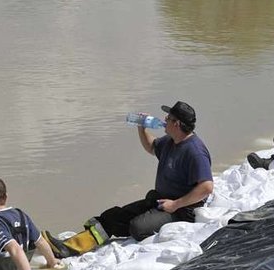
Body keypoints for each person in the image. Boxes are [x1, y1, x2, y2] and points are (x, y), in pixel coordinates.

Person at [44, 101, 213, 258]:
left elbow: (206, 187)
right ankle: (69, 247)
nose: (164, 120)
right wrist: (142, 128)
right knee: (113, 216)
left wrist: (175, 204)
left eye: (168, 118)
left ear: (176, 124)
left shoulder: (195, 151)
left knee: (137, 227)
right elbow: (151, 147)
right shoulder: (171, 141)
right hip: (159, 201)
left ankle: (126, 229)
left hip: (180, 211)